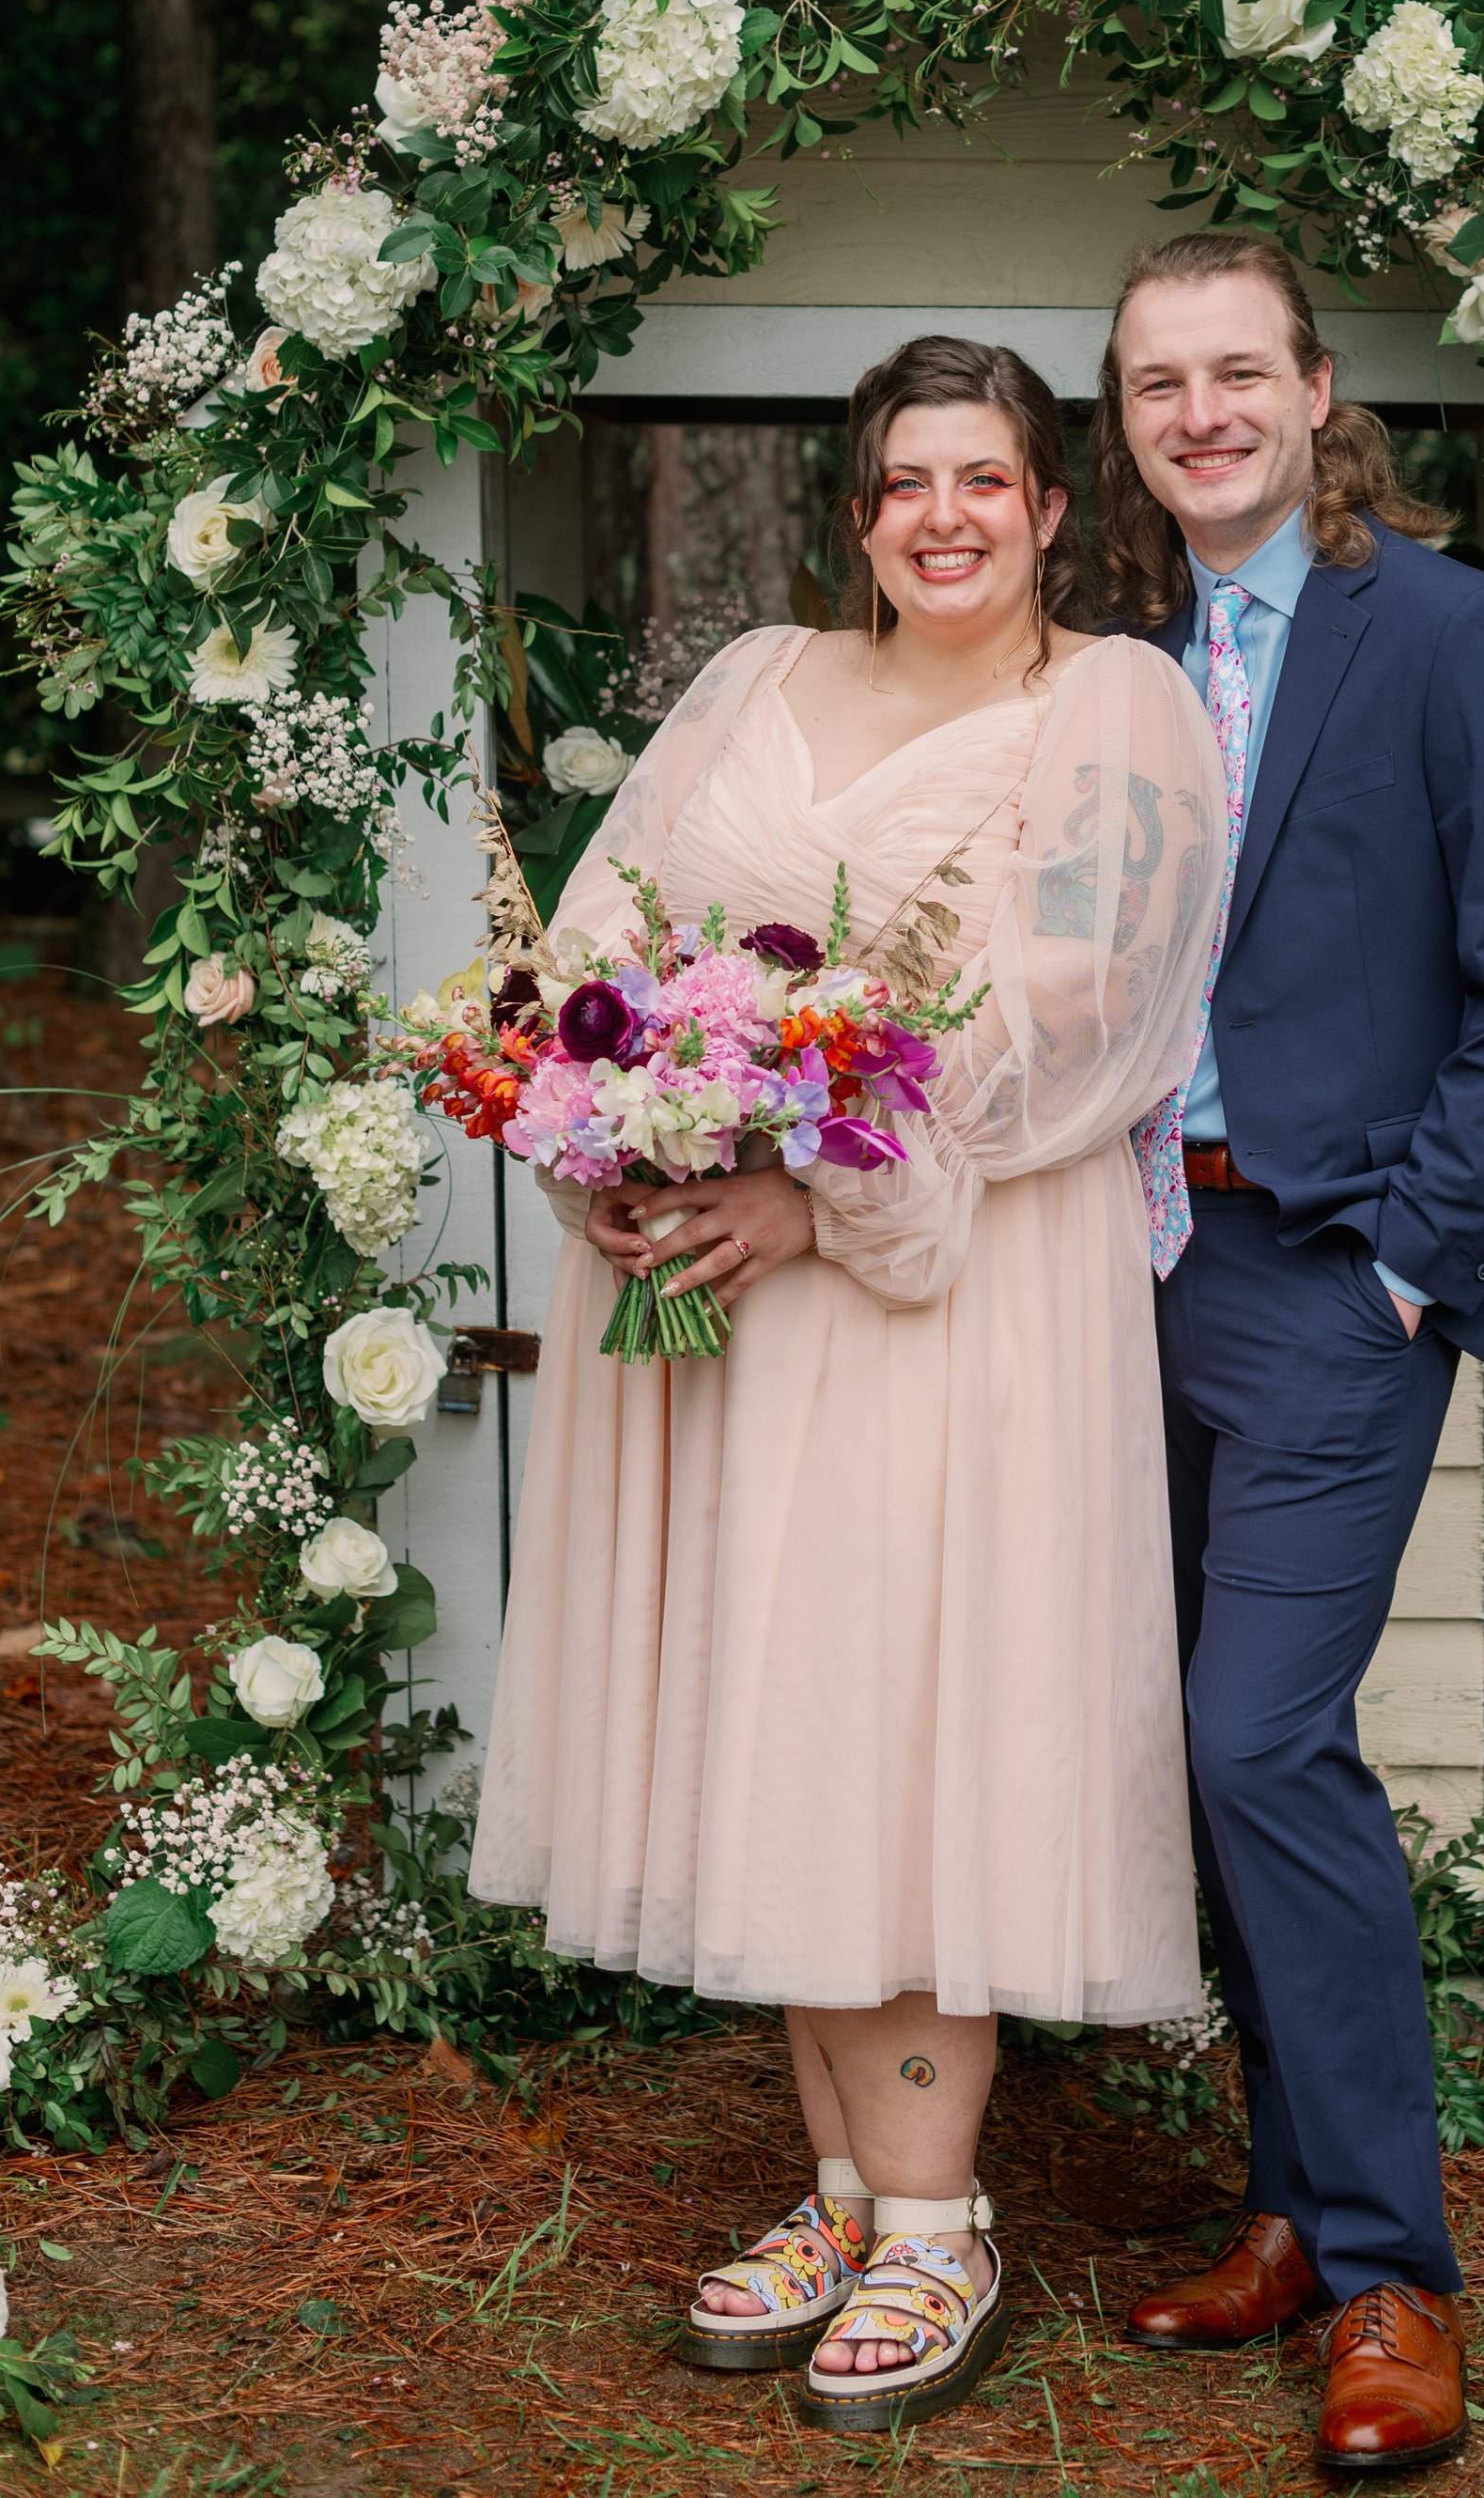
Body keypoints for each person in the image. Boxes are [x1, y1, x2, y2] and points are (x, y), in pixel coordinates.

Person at [469, 335, 1226, 2437]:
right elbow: (597, 951)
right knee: (777, 1707)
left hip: (945, 1286)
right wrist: (610, 1143)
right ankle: (836, 2186)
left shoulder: (1107, 705)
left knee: (902, 1715)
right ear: (858, 508)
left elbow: (1098, 1016)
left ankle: (934, 2228)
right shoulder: (760, 682)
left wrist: (825, 1184)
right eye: (905, 481)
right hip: (724, 1294)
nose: (943, 517)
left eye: (984, 478)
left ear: (1055, 506)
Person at [1098, 230, 1484, 2479]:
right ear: (1120, 420)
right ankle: (1291, 2210)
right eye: (1151, 383)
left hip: (1331, 1272)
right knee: (1188, 1749)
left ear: (1317, 392)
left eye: (1235, 371)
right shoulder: (1126, 656)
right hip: (1126, 1267)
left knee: (1255, 1736)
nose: (1197, 412)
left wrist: (1410, 1262)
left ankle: (1394, 2271)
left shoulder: (1451, 629)